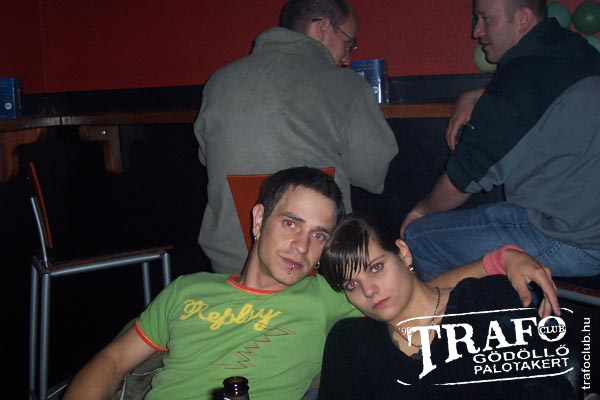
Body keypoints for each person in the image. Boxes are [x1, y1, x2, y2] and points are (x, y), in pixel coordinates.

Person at [63, 168, 560, 400]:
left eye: (319, 234)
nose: (302, 246)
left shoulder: (329, 294)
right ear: (259, 219)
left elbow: (409, 289)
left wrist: (500, 259)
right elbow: (111, 362)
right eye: (290, 223)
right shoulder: (188, 290)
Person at [400, 0, 600, 281]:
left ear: (522, 19)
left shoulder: (520, 80)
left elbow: (463, 178)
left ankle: (459, 311)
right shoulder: (578, 51)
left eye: (486, 19)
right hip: (576, 226)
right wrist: (476, 94)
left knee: (420, 237)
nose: (476, 31)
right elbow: (542, 87)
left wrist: (421, 211)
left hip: (574, 242)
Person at [194, 0, 398, 274]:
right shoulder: (347, 85)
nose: (347, 58)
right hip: (313, 267)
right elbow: (373, 173)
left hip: (231, 266)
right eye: (348, 43)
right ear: (323, 28)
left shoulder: (219, 81)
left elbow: (207, 158)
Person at [318, 213, 575, 399]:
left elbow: (547, 389)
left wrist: (504, 258)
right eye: (351, 285)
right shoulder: (350, 343)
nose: (368, 291)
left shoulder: (485, 302)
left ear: (403, 253)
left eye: (376, 268)